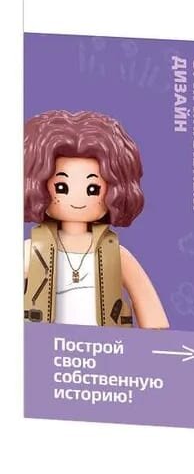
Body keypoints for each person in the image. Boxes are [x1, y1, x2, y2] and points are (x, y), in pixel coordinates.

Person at [23, 110, 168, 328]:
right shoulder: (31, 251)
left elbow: (150, 310)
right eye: (61, 187)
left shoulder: (116, 254)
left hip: (106, 345)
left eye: (93, 189)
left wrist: (158, 342)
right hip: (45, 345)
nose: (78, 198)